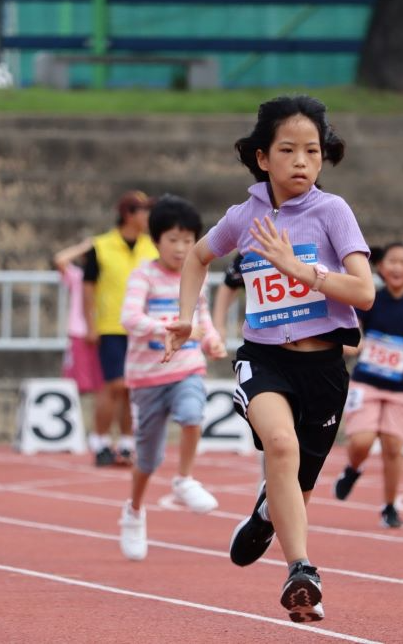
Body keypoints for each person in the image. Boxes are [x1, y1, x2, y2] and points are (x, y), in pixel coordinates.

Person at [164, 95, 374, 623]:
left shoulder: (333, 212)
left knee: (297, 485)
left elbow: (364, 293)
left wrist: (299, 269)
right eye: (289, 150)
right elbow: (197, 256)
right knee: (279, 445)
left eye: (313, 151)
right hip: (264, 358)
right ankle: (302, 570)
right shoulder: (245, 215)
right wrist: (186, 316)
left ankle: (265, 513)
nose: (302, 161)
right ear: (262, 157)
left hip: (324, 367)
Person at [117, 195, 227, 561]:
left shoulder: (197, 274)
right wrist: (170, 328)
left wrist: (209, 339)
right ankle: (134, 511)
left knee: (193, 414)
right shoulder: (143, 275)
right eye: (173, 240)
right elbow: (129, 319)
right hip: (147, 378)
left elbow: (202, 315)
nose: (181, 249)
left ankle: (184, 479)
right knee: (146, 460)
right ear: (156, 240)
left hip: (186, 368)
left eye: (188, 240)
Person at [333, 242, 403, 528]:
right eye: (391, 261)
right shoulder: (370, 300)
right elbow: (349, 333)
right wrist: (353, 344)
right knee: (362, 441)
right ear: (380, 267)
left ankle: (390, 506)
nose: (396, 267)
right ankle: (353, 468)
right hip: (366, 382)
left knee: (393, 446)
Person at [83, 190, 158, 467]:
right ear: (129, 214)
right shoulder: (101, 246)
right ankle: (101, 441)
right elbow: (87, 287)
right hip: (111, 325)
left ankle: (126, 443)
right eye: (143, 211)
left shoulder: (151, 247)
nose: (148, 217)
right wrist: (90, 323)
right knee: (113, 385)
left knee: (132, 388)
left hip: (142, 326)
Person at [53, 237, 103, 395]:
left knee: (102, 383)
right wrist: (85, 247)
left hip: (103, 332)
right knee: (75, 383)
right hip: (79, 333)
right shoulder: (77, 276)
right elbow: (60, 260)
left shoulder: (108, 277)